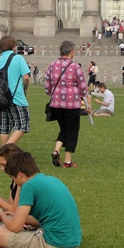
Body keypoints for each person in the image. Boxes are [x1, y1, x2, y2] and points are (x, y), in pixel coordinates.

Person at [0, 151, 81, 248]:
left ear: (20, 174)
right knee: (11, 217)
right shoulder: (52, 180)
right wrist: (13, 216)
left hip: (54, 247)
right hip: (72, 245)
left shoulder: (29, 186)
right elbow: (41, 219)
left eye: (12, 178)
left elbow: (15, 227)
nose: (14, 182)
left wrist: (1, 214)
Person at [45, 40, 87, 169]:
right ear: (71, 51)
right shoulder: (75, 67)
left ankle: (56, 150)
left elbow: (47, 85)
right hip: (72, 104)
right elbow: (83, 86)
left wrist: (53, 93)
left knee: (63, 129)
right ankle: (67, 161)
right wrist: (81, 95)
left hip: (56, 104)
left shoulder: (52, 65)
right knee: (72, 131)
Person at [0, 34, 31, 146]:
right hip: (16, 97)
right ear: (13, 46)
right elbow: (26, 77)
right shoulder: (18, 58)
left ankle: (4, 160)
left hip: (1, 97)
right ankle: (5, 150)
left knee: (4, 127)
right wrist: (25, 89)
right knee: (22, 125)